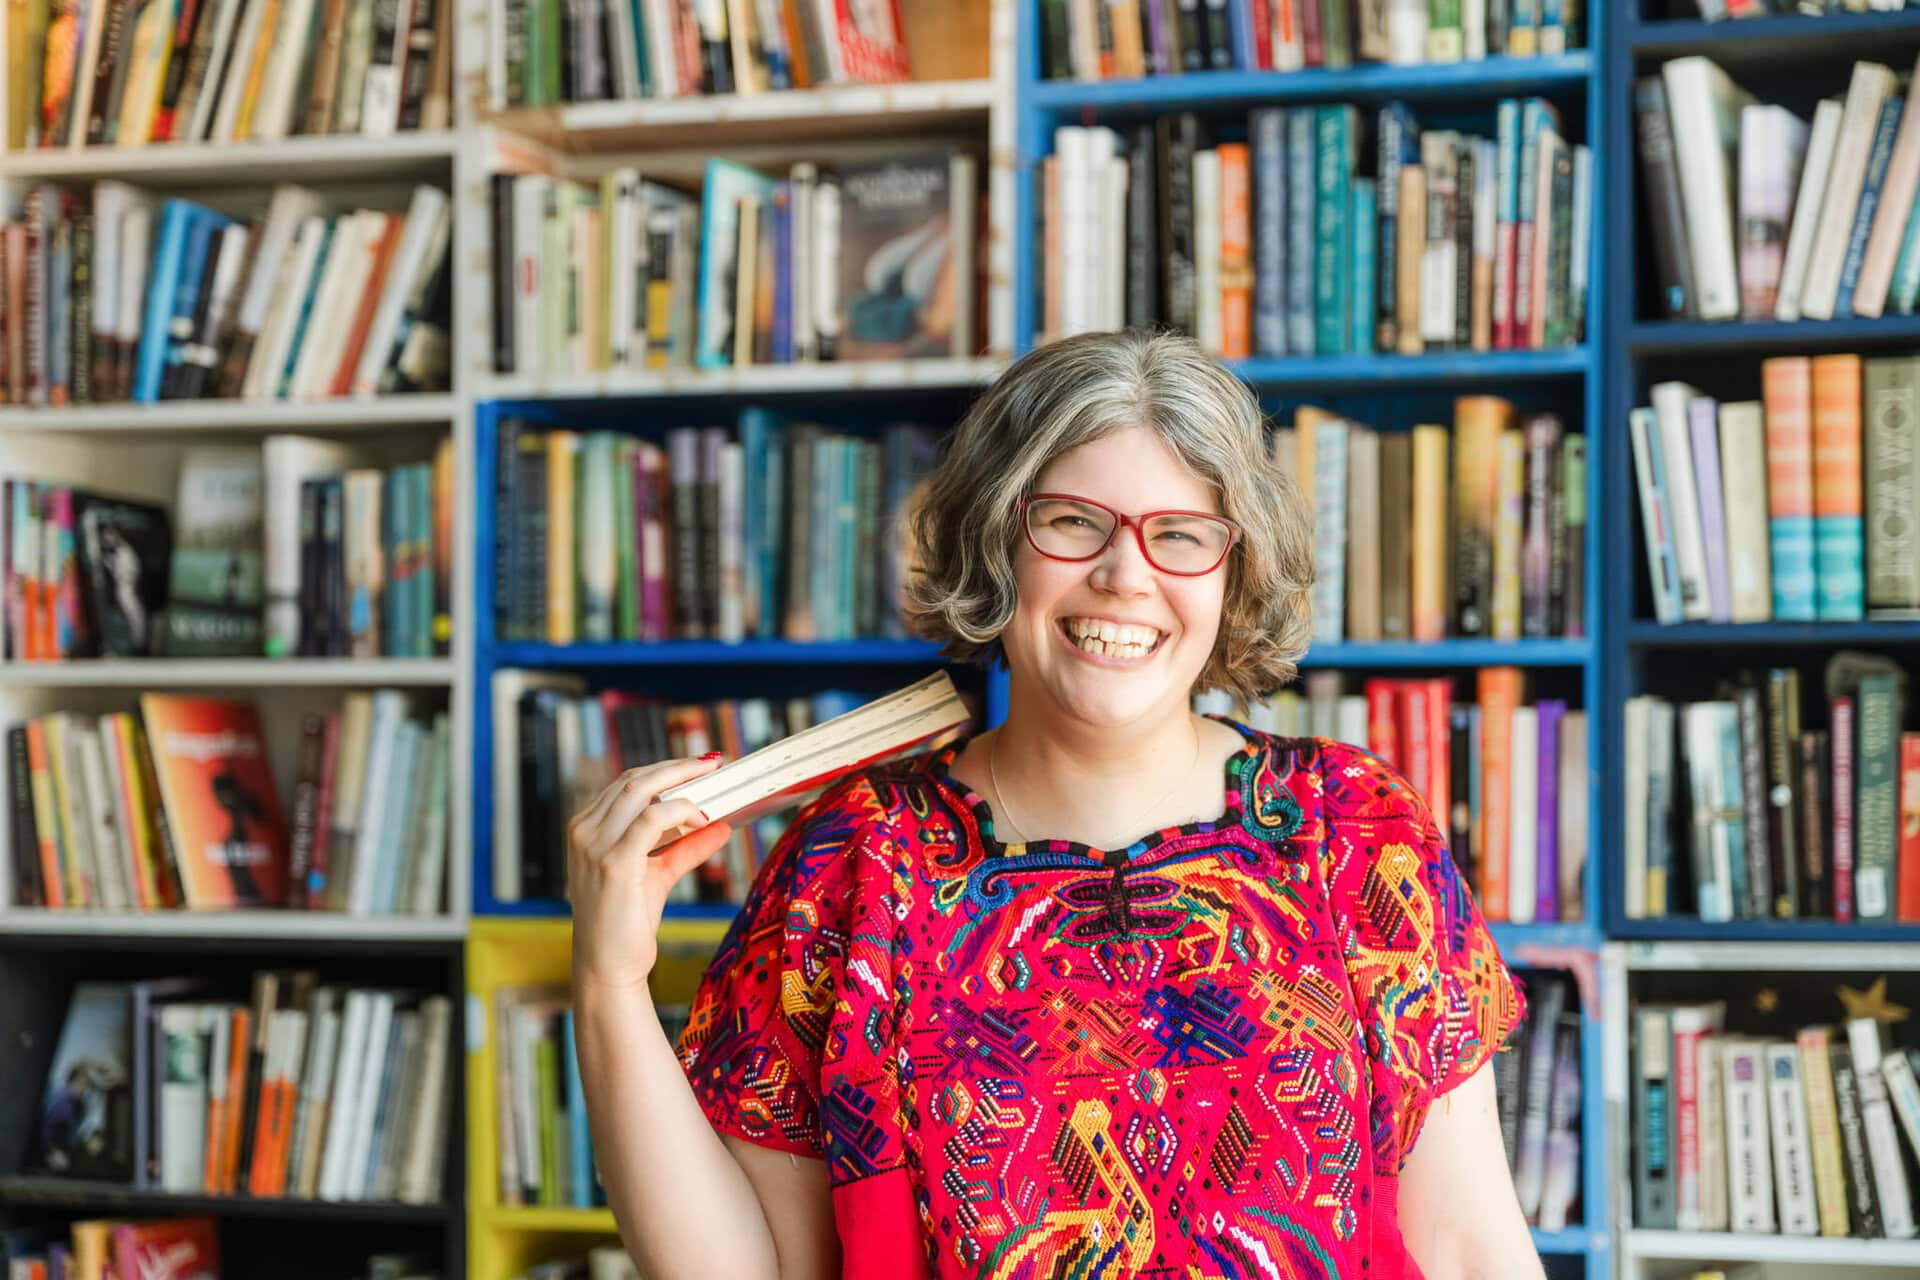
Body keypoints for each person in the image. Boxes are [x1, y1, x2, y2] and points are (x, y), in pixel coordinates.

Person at [569, 329, 1540, 1279]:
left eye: (1180, 534)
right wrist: (611, 981)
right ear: (998, 539)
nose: (1126, 575)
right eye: (1074, 521)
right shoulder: (855, 860)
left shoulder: (1357, 830)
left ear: (1233, 567)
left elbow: (1469, 1245)